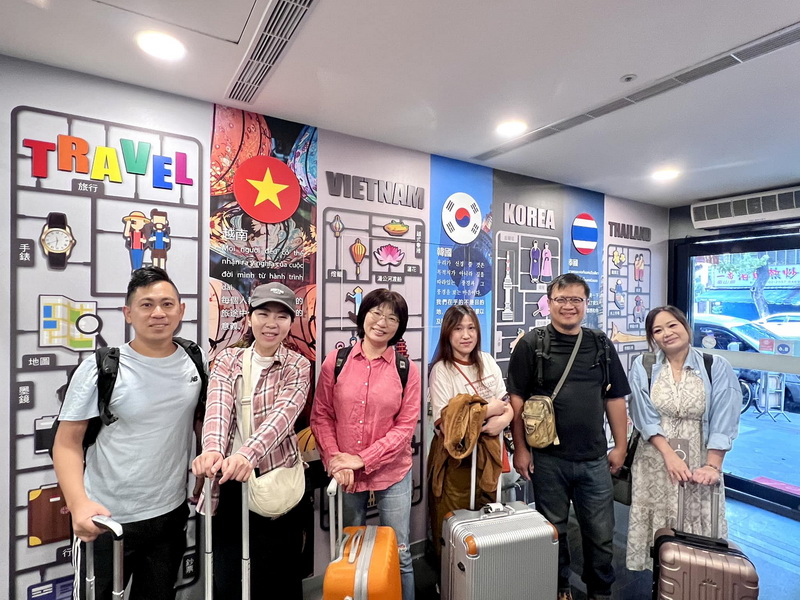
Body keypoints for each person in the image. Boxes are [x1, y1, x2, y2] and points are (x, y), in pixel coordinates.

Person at [53, 266, 205, 600]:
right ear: (128, 313)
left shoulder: (194, 360)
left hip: (170, 514)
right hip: (108, 520)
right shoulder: (102, 367)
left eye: (167, 304)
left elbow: (196, 418)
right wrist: (78, 504)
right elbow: (66, 444)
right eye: (146, 305)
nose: (158, 313)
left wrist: (202, 470)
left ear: (181, 310)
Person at [507, 273, 631, 600]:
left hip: (594, 460)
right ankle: (559, 587)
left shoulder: (601, 344)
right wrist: (521, 450)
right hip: (548, 460)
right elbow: (517, 402)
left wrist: (620, 446)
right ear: (549, 303)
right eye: (561, 299)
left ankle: (600, 592)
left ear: (586, 305)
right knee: (553, 533)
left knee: (601, 536)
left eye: (576, 299)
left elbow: (615, 398)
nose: (569, 306)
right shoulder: (531, 345)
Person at [192, 282, 311, 599]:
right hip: (229, 481)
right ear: (249, 317)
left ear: (290, 322)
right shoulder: (228, 360)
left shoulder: (298, 366)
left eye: (281, 316)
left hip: (275, 482)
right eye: (264, 313)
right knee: (230, 577)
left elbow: (282, 418)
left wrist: (247, 455)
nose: (271, 324)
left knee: (280, 577)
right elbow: (217, 409)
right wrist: (213, 452)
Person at [311, 288, 421, 600]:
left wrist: (361, 458)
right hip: (345, 473)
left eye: (392, 317)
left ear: (399, 326)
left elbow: (404, 429)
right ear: (363, 315)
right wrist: (336, 460)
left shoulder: (406, 370)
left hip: (392, 473)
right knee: (349, 550)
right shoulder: (338, 360)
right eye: (376, 313)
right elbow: (321, 416)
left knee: (399, 553)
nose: (382, 322)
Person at [626, 306, 740, 571]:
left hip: (699, 462)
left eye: (672, 325)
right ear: (652, 338)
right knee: (658, 521)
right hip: (654, 459)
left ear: (685, 326)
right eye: (658, 330)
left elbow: (725, 414)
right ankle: (665, 581)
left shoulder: (715, 366)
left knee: (696, 526)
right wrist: (669, 456)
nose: (666, 333)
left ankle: (695, 580)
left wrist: (713, 465)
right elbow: (642, 414)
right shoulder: (644, 366)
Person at [427, 304, 513, 558]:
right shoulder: (441, 370)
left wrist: (505, 417)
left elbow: (505, 401)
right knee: (454, 519)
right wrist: (488, 411)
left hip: (490, 452)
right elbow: (446, 423)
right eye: (458, 329)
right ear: (447, 334)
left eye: (471, 328)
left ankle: (482, 577)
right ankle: (451, 581)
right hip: (456, 459)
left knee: (488, 516)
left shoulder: (486, 360)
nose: (466, 335)